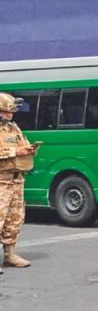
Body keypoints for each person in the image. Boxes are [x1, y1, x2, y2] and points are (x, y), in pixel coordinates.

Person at [0, 93, 38, 270]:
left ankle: (10, 255)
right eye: (6, 112)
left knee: (14, 219)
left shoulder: (14, 128)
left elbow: (23, 143)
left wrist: (29, 149)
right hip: (1, 182)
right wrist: (16, 153)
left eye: (11, 112)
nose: (10, 115)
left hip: (16, 181)